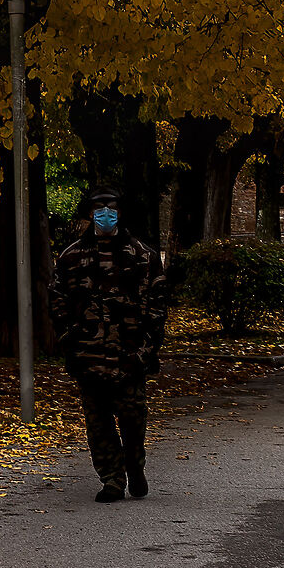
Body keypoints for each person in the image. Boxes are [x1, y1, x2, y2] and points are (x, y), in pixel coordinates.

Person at [47, 187, 170, 503]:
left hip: (129, 355)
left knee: (133, 419)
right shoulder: (71, 256)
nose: (105, 214)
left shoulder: (143, 255)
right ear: (90, 213)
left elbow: (157, 304)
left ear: (120, 212)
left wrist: (147, 349)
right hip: (88, 355)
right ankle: (112, 479)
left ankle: (134, 465)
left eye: (111, 208)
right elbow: (57, 301)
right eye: (99, 209)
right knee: (98, 424)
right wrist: (68, 340)